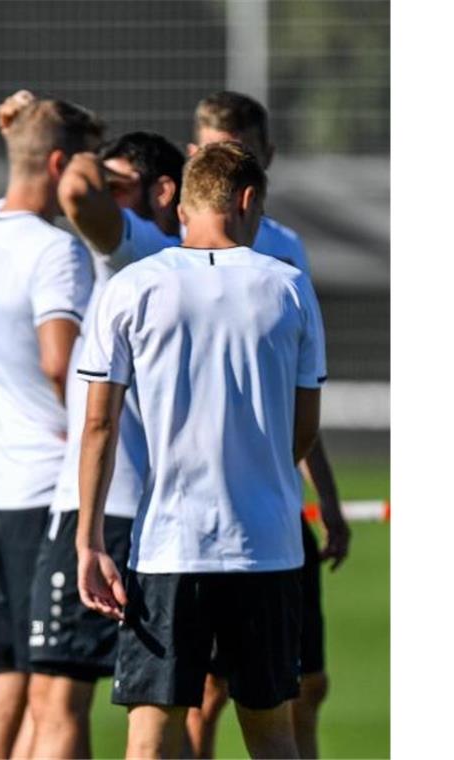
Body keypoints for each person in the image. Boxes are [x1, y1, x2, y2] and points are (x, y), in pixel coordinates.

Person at [76, 142, 327, 758]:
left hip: (168, 547)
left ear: (183, 205)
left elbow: (100, 429)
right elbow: (304, 432)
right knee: (271, 733)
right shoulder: (289, 286)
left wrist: (87, 542)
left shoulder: (133, 286)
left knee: (151, 737)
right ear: (247, 201)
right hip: (268, 549)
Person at [183, 90, 350, 760]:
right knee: (202, 694)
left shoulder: (284, 255)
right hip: (195, 513)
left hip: (272, 510)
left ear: (264, 162)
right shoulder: (169, 250)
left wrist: (326, 497)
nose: (220, 161)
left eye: (236, 151)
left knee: (303, 684)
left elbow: (296, 394)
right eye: (207, 150)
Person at [0, 90, 101, 759]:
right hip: (52, 486)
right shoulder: (57, 252)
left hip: (3, 481)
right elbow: (57, 361)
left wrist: (19, 129)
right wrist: (95, 431)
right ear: (63, 163)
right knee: (54, 697)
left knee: (7, 684)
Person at [27, 131, 184, 759]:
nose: (105, 200)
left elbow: (75, 190)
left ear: (163, 193)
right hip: (149, 514)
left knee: (59, 703)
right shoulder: (177, 262)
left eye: (120, 186)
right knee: (158, 711)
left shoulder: (140, 247)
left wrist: (73, 145)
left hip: (110, 510)